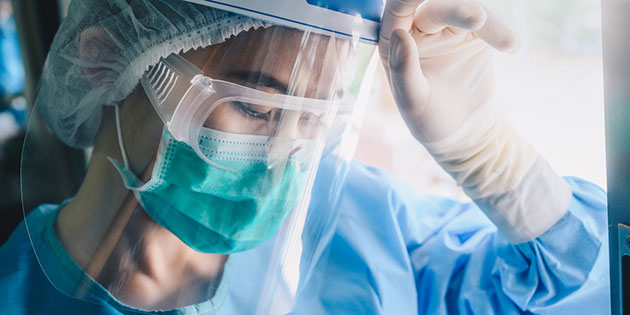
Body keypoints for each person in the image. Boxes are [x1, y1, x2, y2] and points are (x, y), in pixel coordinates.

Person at [0, 0, 610, 314]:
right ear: (102, 60)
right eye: (257, 109)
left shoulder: (362, 225)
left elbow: (578, 289)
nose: (283, 156)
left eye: (316, 118)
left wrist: (490, 157)